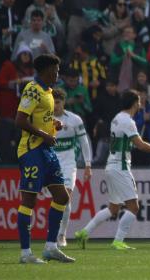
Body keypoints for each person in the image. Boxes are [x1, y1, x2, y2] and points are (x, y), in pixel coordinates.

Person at [75, 90, 150, 250]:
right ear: (134, 103)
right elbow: (141, 145)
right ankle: (118, 241)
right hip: (121, 167)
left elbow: (126, 142)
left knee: (113, 208)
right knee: (134, 207)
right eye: (139, 101)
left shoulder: (117, 118)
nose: (140, 104)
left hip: (111, 165)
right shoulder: (128, 121)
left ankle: (84, 232)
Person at [14, 54, 74, 263]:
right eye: (55, 70)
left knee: (62, 196)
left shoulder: (48, 91)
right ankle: (25, 254)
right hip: (31, 151)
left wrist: (52, 125)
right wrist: (44, 134)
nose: (57, 74)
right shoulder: (32, 89)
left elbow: (39, 118)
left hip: (46, 151)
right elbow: (20, 120)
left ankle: (50, 247)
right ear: (46, 70)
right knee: (29, 200)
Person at [52, 89, 92, 248]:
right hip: (51, 163)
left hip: (69, 165)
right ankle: (54, 233)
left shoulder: (75, 120)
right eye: (52, 102)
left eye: (58, 102)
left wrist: (88, 165)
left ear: (64, 102)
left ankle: (61, 235)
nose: (55, 106)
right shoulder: (44, 119)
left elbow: (84, 143)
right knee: (57, 201)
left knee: (65, 198)